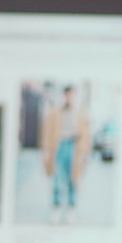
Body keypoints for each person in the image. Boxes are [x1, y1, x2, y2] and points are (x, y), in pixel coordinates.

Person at [42, 85, 93, 223]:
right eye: (67, 95)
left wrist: (86, 153)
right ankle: (56, 208)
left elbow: (87, 135)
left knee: (74, 179)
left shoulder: (81, 114)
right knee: (58, 179)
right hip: (59, 145)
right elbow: (47, 132)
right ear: (63, 96)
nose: (69, 98)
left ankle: (71, 208)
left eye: (72, 95)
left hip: (75, 146)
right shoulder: (55, 113)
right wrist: (46, 151)